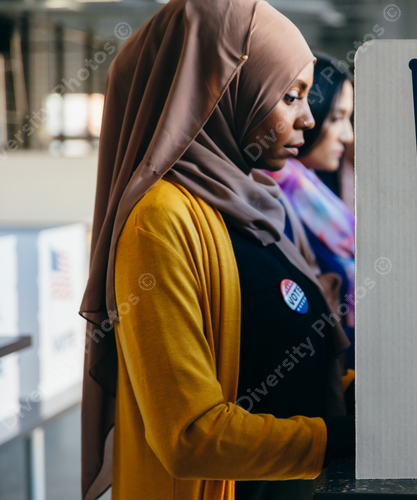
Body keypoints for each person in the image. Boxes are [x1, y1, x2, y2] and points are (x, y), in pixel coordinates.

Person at [78, 2, 354, 500]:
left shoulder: (256, 204)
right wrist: (340, 440)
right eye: (290, 96)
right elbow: (190, 436)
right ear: (224, 90)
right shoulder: (161, 222)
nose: (308, 119)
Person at [267, 54, 356, 367]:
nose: (348, 135)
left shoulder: (317, 189)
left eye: (349, 119)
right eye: (336, 117)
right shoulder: (270, 200)